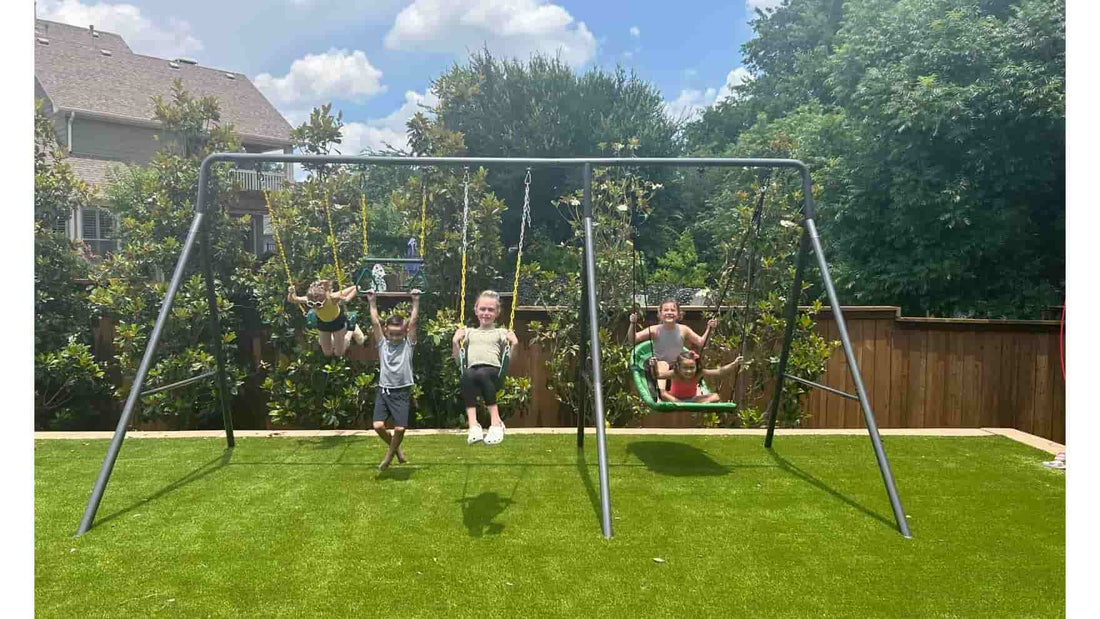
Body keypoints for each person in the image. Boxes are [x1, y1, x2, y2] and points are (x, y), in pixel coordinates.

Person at [452, 290, 518, 446]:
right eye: (482, 309)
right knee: (466, 375)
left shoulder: (501, 333)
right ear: (476, 310)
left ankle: (496, 424)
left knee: (481, 373)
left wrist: (514, 344)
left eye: (490, 310)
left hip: (494, 373)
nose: (486, 313)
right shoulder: (468, 333)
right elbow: (457, 361)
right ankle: (473, 425)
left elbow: (510, 362)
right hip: (472, 374)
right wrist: (455, 342)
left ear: (497, 313)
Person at [366, 288, 419, 470]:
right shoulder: (382, 344)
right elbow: (375, 322)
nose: (395, 337)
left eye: (399, 334)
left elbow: (413, 321)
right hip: (384, 390)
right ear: (386, 331)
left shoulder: (408, 345)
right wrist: (372, 302)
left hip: (402, 391)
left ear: (405, 332)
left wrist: (415, 301)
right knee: (378, 426)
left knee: (400, 428)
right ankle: (397, 451)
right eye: (392, 334)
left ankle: (389, 456)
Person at [628, 298, 717, 383]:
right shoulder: (654, 330)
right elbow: (633, 339)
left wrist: (710, 329)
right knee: (663, 365)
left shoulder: (684, 329)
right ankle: (661, 393)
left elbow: (701, 343)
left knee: (688, 367)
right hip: (658, 366)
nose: (669, 312)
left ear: (678, 314)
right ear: (660, 314)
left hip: (676, 367)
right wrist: (632, 323)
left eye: (673, 310)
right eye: (666, 310)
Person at [287, 280, 365, 357]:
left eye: (318, 304)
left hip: (337, 322)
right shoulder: (309, 299)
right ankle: (334, 338)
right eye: (311, 304)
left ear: (325, 299)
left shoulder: (332, 298)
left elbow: (357, 287)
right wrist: (291, 293)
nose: (315, 307)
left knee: (339, 353)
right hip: (323, 323)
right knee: (327, 353)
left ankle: (352, 328)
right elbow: (293, 299)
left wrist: (347, 298)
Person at [653, 350, 742, 403]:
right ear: (678, 367)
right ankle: (681, 404)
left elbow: (719, 372)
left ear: (696, 366)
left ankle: (697, 405)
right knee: (663, 393)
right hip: (675, 399)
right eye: (685, 368)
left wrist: (734, 364)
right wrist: (654, 366)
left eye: (692, 368)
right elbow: (658, 375)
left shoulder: (699, 373)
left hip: (692, 400)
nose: (689, 371)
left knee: (716, 396)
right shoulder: (675, 373)